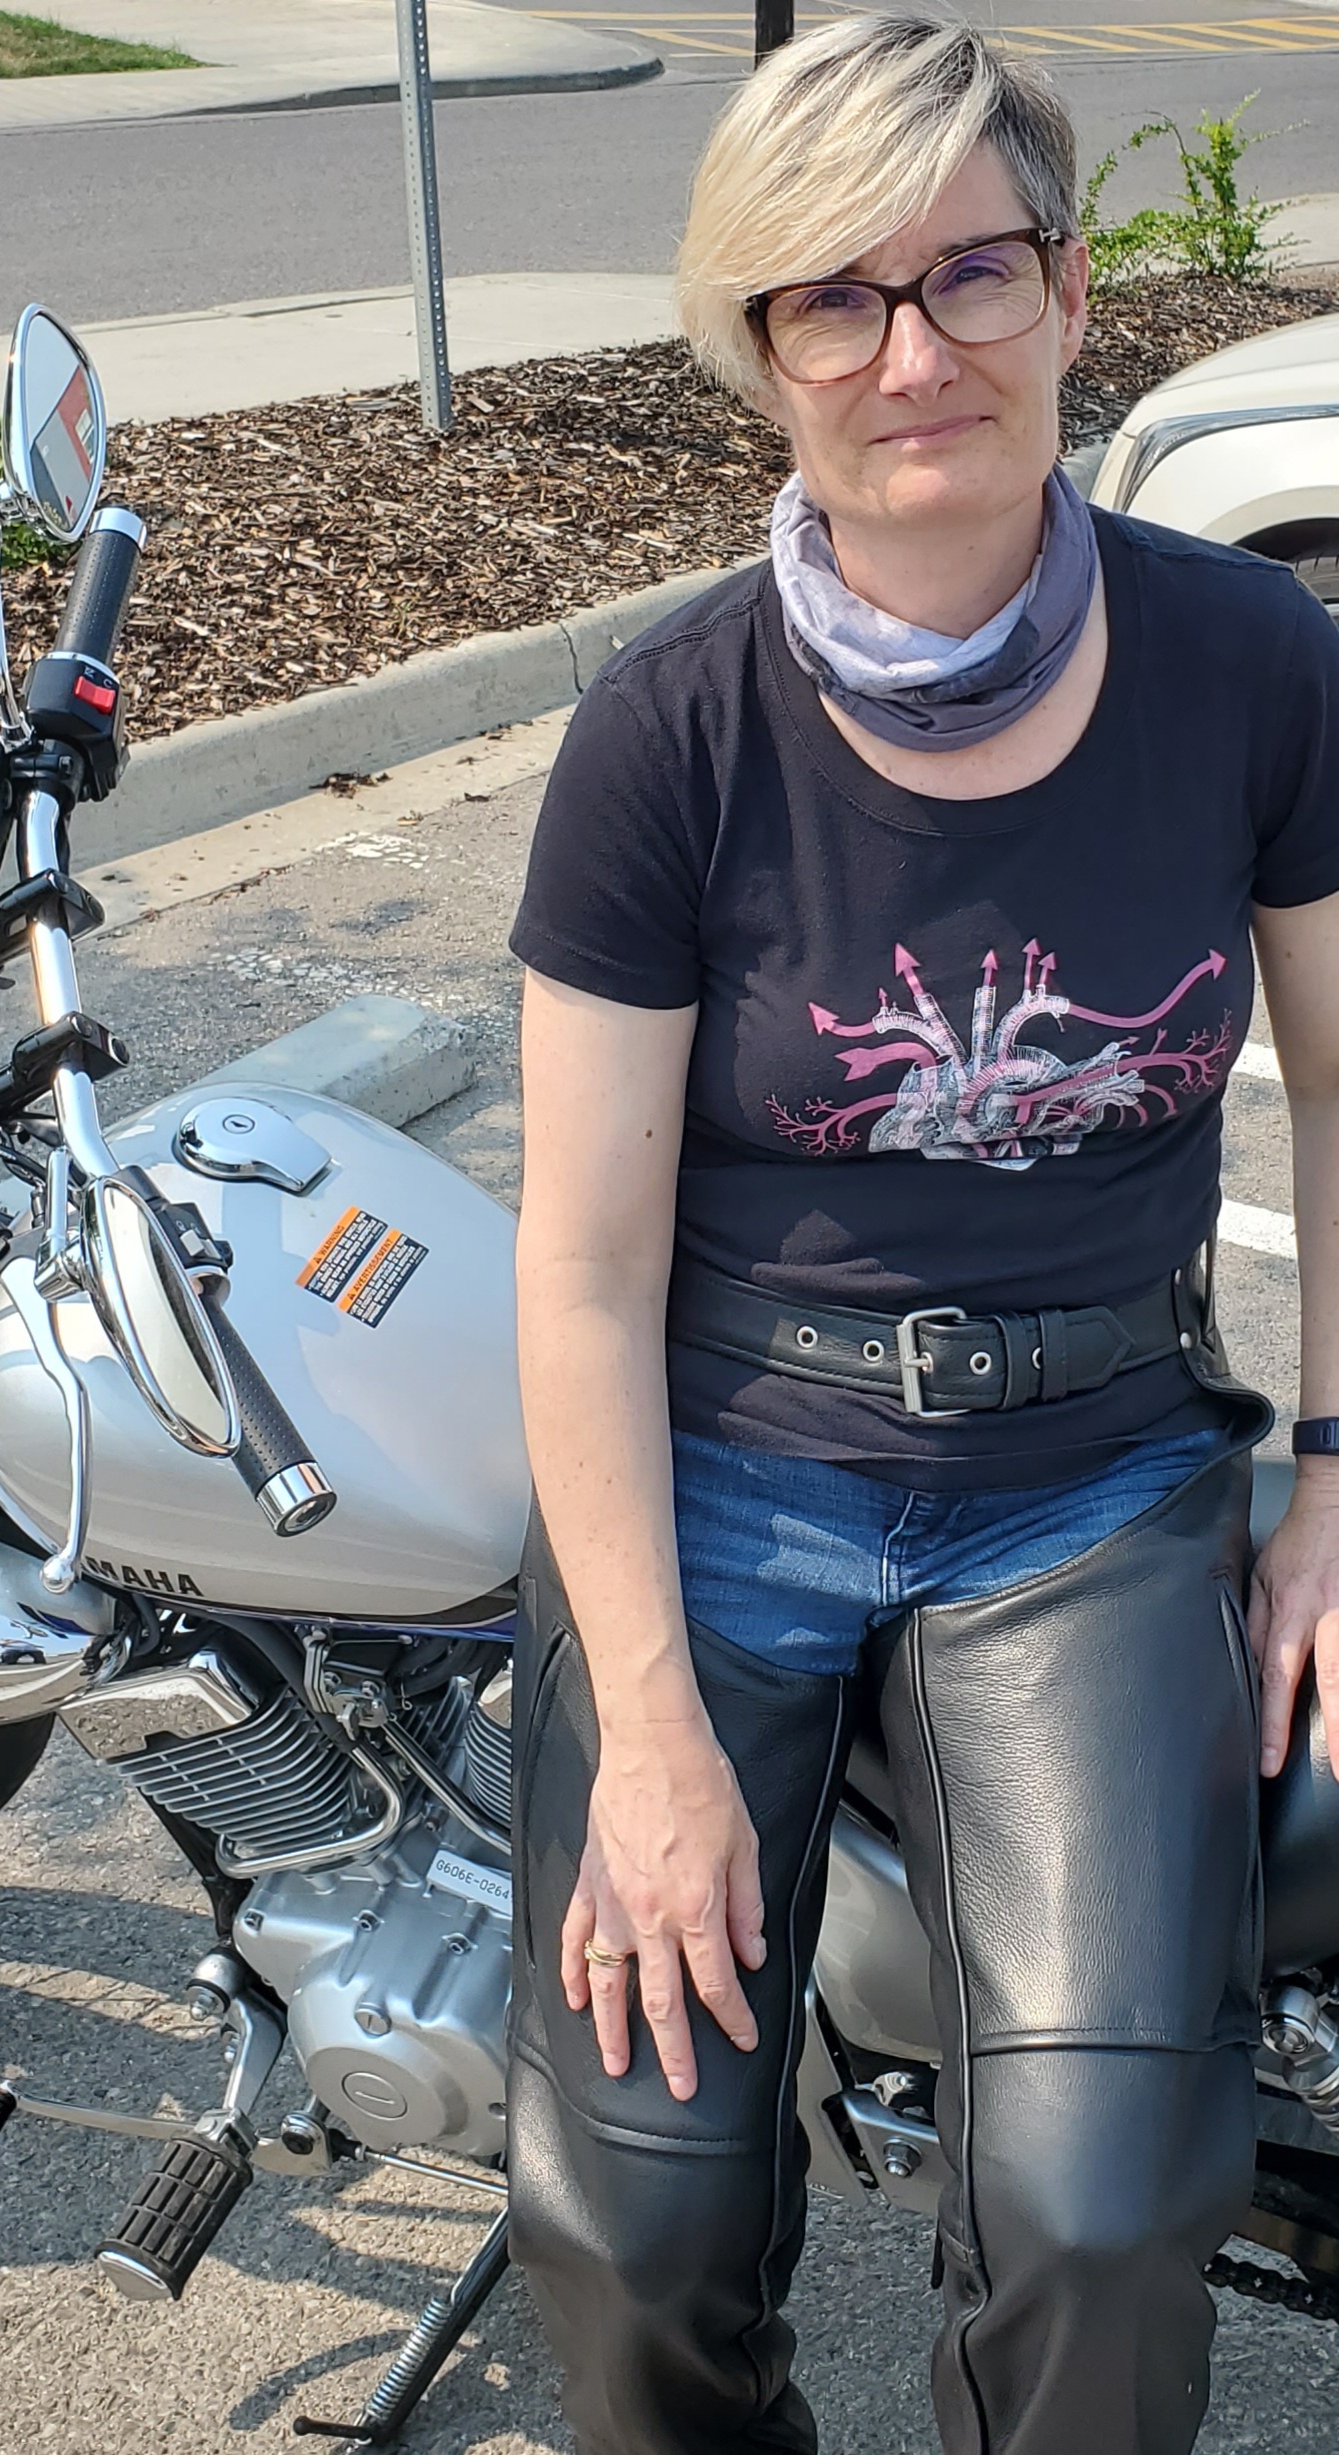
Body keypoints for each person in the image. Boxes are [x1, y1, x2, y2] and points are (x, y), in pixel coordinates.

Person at [506, 14, 1339, 2453]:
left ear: (1075, 298)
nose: (912, 353)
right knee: (626, 2223)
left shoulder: (1257, 664)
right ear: (758, 353)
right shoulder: (665, 730)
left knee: (1100, 2212)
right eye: (831, 300)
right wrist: (646, 1731)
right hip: (725, 1467)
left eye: (969, 274)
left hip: (1086, 1480)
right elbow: (577, 1270)